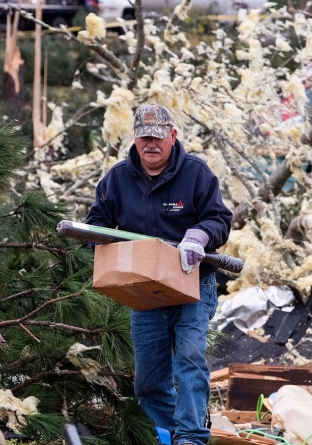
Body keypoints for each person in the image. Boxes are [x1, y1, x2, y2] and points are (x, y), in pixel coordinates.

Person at [85, 104, 233, 445]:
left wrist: (199, 236)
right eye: (144, 138)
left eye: (158, 137)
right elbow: (97, 224)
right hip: (144, 289)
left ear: (173, 136)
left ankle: (192, 437)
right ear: (135, 139)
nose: (151, 144)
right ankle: (166, 435)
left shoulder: (196, 174)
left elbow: (219, 219)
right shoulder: (117, 179)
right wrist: (103, 247)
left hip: (192, 282)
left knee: (190, 360)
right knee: (149, 379)